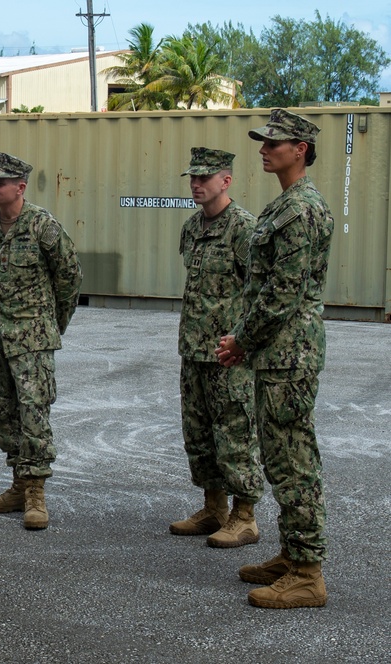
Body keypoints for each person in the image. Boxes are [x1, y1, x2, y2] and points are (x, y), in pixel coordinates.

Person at [216, 109, 334, 609]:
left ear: (301, 149)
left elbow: (282, 294)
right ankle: (291, 555)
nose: (264, 148)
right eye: (263, 141)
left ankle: (308, 572)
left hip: (289, 352)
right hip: (277, 352)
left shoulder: (301, 210)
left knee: (292, 460)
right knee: (280, 454)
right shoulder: (285, 205)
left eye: (275, 143)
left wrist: (240, 339)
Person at [0, 152, 81, 531]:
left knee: (34, 414)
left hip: (32, 338)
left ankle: (35, 492)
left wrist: (52, 324)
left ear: (19, 187)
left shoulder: (42, 227)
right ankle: (19, 482)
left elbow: (69, 278)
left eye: (0, 182)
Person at [171, 147, 264, 548]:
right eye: (193, 178)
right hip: (193, 349)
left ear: (225, 181)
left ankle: (245, 516)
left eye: (205, 178)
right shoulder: (192, 228)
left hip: (230, 354)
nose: (196, 184)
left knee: (235, 433)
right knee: (199, 434)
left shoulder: (245, 229)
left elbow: (260, 290)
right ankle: (214, 508)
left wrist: (245, 342)